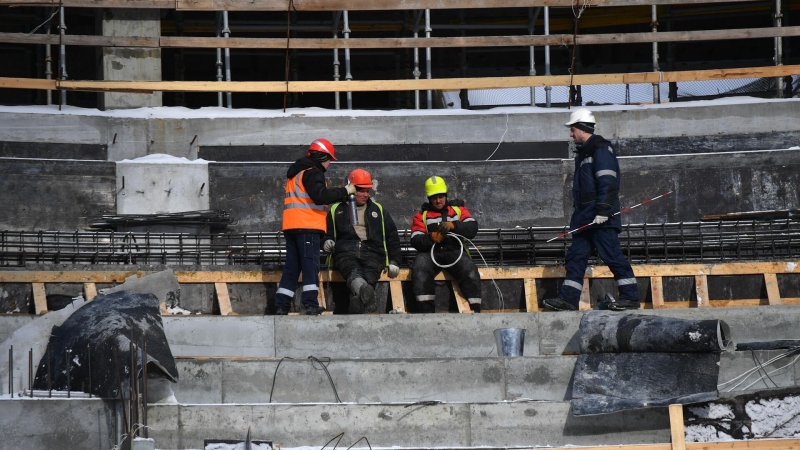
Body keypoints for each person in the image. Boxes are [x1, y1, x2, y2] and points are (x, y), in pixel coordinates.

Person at [542, 108, 640, 311]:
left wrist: (603, 211)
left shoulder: (600, 150)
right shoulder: (586, 153)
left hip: (600, 218)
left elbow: (608, 182)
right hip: (585, 219)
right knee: (575, 258)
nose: (571, 134)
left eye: (573, 130)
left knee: (612, 255)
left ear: (582, 128)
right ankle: (568, 300)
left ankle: (630, 297)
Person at [274, 138, 357, 315]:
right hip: (307, 226)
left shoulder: (297, 173)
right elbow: (320, 196)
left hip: (292, 225)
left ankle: (282, 305)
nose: (329, 164)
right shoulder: (313, 172)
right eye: (329, 160)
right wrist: (345, 191)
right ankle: (310, 304)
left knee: (292, 266)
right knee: (310, 265)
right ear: (322, 157)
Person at [322, 169, 402, 313]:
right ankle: (365, 291)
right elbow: (326, 234)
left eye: (367, 191)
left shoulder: (378, 210)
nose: (365, 194)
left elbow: (392, 238)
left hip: (373, 253)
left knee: (370, 274)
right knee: (353, 271)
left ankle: (358, 297)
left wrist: (395, 261)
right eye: (361, 190)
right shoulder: (336, 210)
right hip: (346, 252)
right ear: (351, 189)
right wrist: (327, 242)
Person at [409, 176, 482, 313]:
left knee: (469, 269)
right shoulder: (422, 216)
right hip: (430, 253)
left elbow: (472, 227)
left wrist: (453, 225)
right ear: (429, 198)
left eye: (441, 197)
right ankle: (426, 313)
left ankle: (475, 310)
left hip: (454, 251)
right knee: (420, 268)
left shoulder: (458, 210)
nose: (438, 200)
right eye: (434, 197)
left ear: (446, 195)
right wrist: (432, 237)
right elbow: (415, 239)